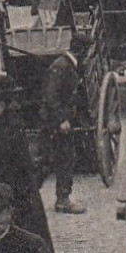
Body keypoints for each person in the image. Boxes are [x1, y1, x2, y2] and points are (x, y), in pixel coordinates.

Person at [0, 74, 53, 253]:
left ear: (2, 105)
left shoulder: (12, 123)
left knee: (24, 231)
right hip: (11, 187)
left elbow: (12, 154)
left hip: (19, 188)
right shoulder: (1, 120)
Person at [40, 34, 90, 214]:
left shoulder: (65, 65)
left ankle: (61, 197)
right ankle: (62, 200)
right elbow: (51, 96)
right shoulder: (61, 67)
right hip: (55, 123)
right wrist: (62, 120)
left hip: (56, 121)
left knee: (58, 158)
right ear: (82, 51)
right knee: (59, 158)